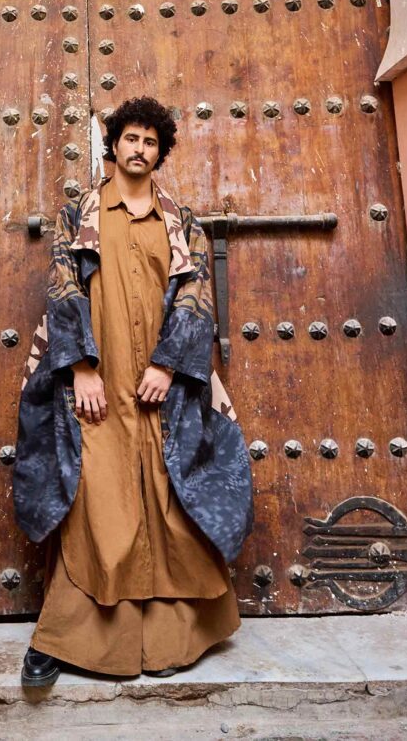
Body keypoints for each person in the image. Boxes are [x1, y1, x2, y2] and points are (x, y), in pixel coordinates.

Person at [13, 96, 254, 685]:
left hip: (161, 390)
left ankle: (174, 640)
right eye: (131, 139)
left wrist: (170, 367)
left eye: (151, 142)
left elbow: (197, 297)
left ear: (160, 152)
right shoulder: (80, 216)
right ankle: (64, 639)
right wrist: (81, 371)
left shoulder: (183, 222)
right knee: (96, 503)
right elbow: (63, 290)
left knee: (168, 502)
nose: (140, 150)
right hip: (100, 383)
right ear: (114, 145)